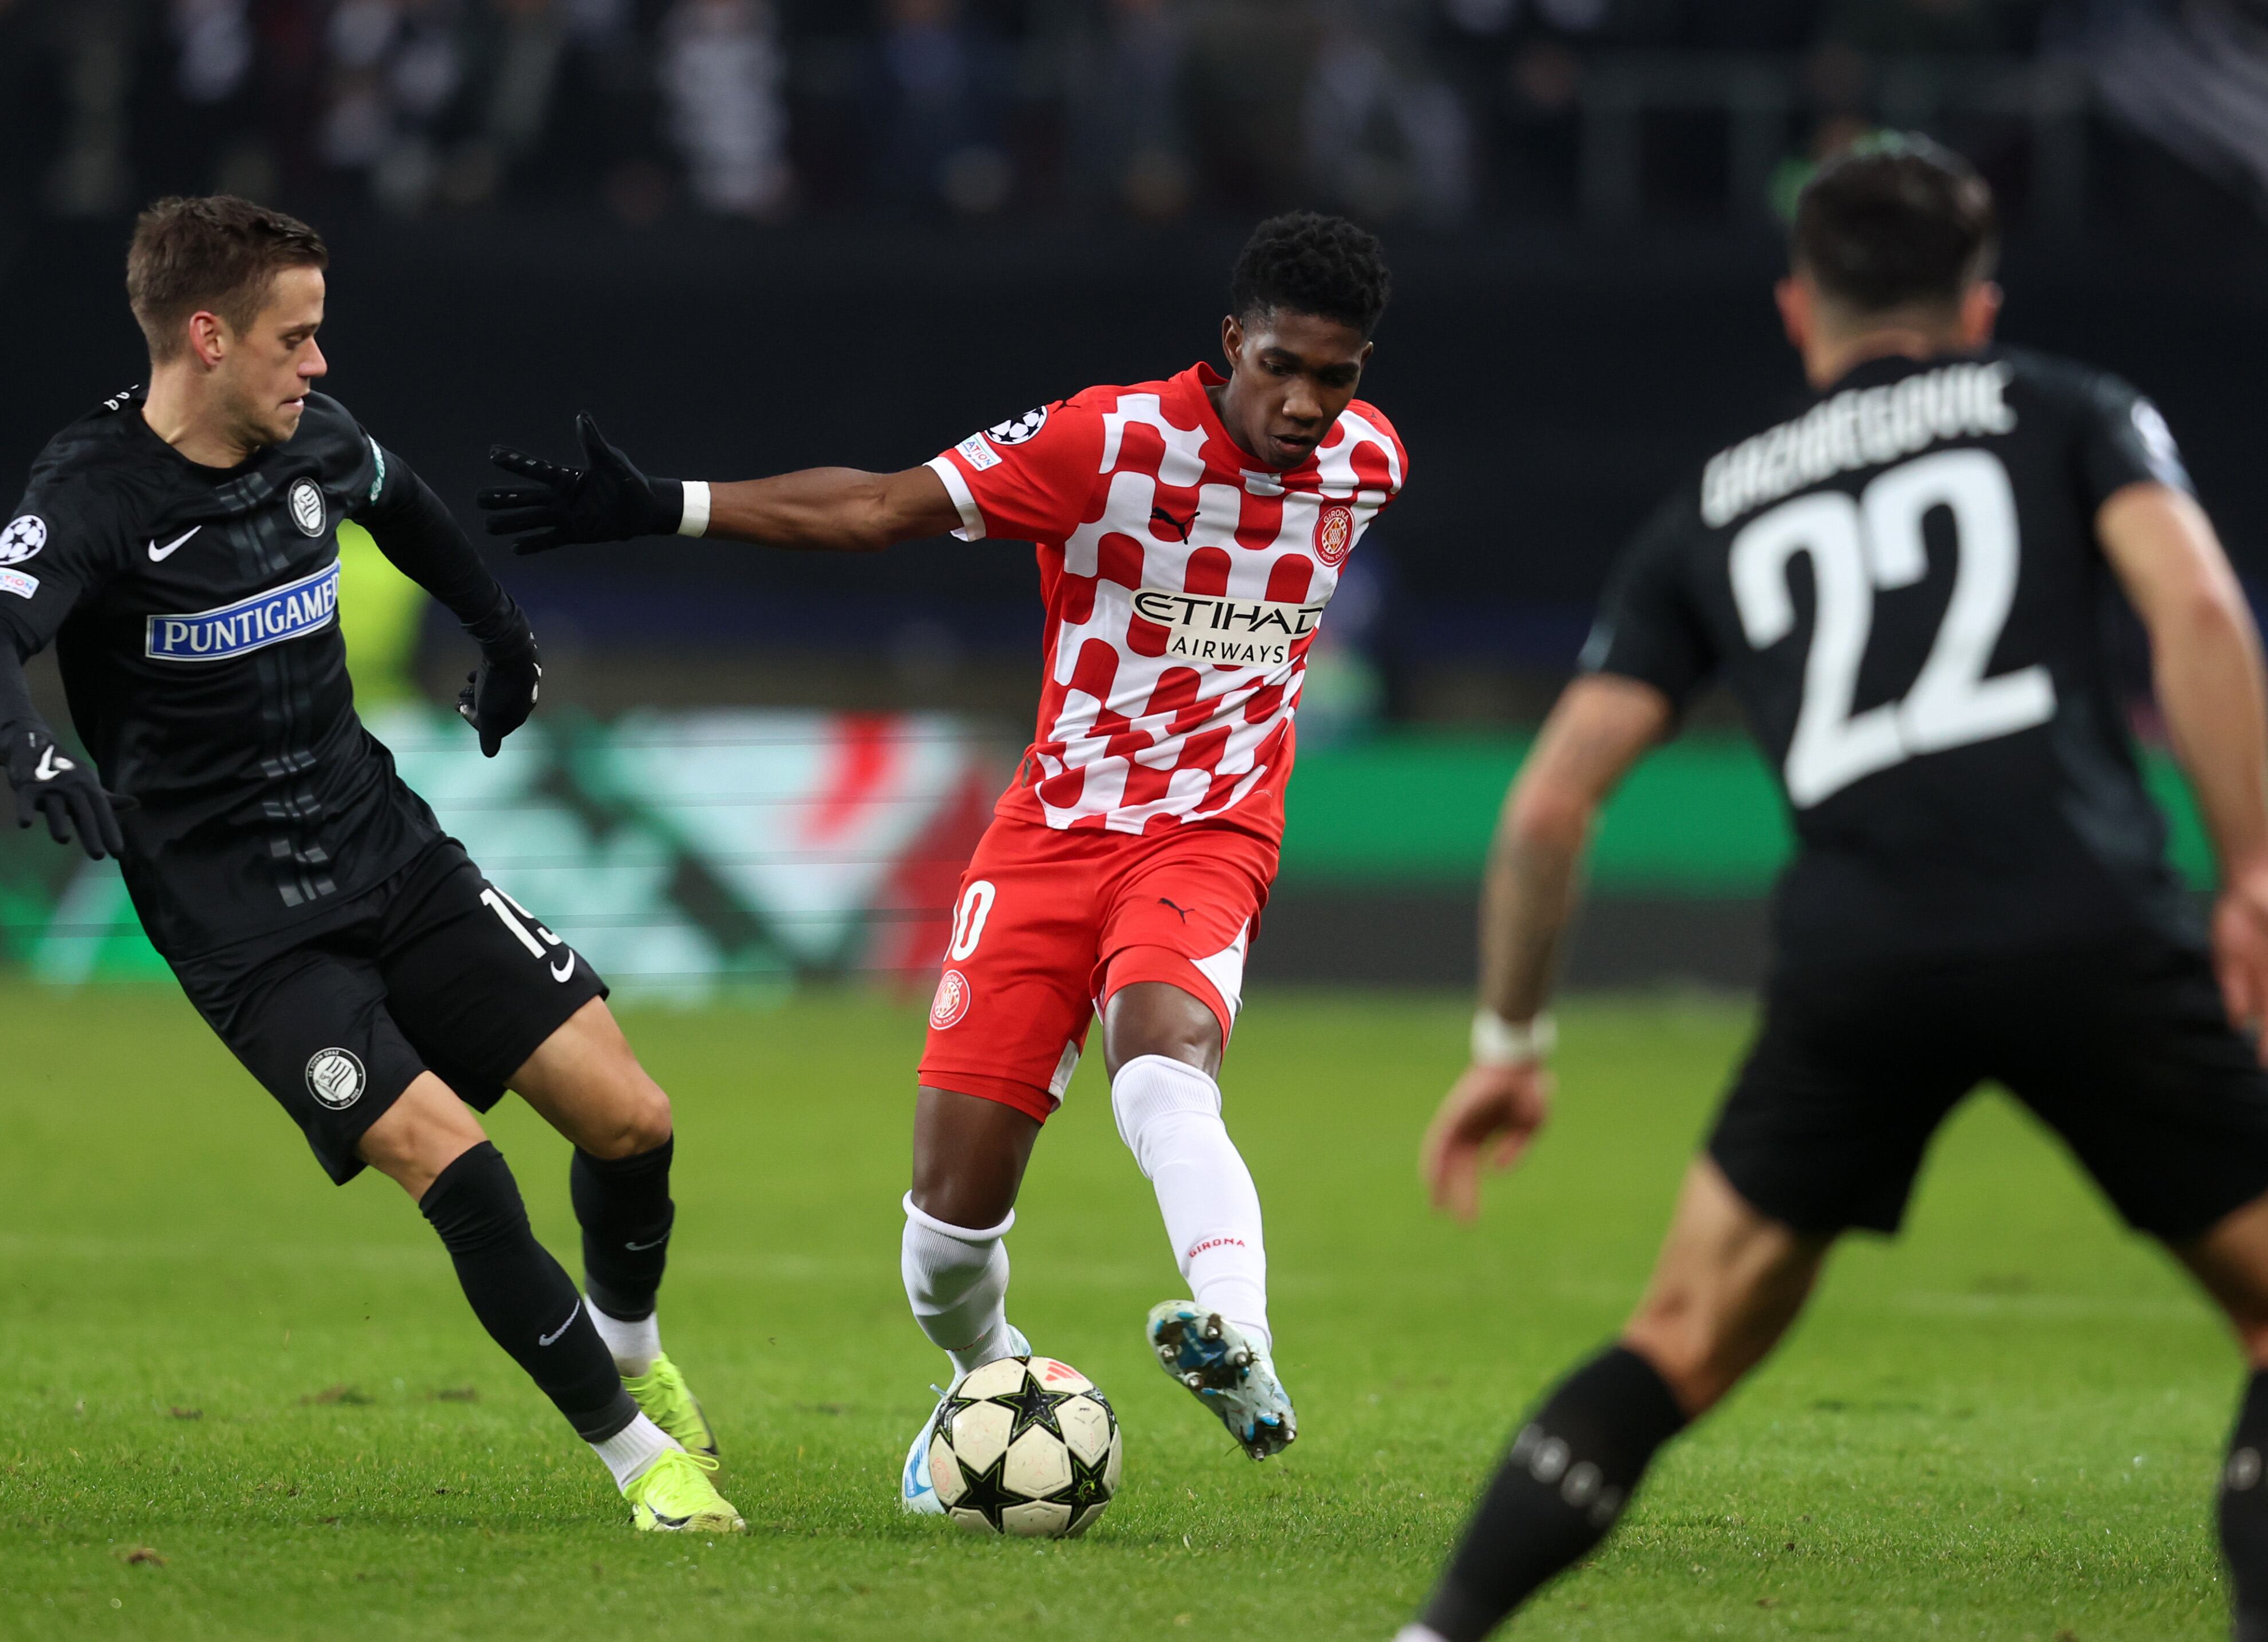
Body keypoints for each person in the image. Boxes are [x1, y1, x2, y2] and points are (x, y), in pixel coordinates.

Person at [1399, 136, 2268, 1639]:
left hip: (1857, 957)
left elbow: (1548, 807)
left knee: (1677, 1340)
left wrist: (1508, 1047)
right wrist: (2250, 871)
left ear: (1797, 310)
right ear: (1978, 307)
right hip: (2084, 920)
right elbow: (2192, 603)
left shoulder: (1716, 507)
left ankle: (1438, 1633)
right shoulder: (2066, 411)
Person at [476, 211, 1409, 1501]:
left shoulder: (1370, 465)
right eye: (1283, 367)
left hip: (1206, 834)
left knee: (1161, 1072)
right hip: (1049, 838)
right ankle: (990, 1381)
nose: (1308, 404)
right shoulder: (1108, 442)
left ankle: (1237, 1337)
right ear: (1229, 342)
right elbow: (875, 507)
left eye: (1337, 374)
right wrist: (667, 507)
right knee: (943, 1248)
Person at [0, 196, 741, 1534]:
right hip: (247, 932)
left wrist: (502, 636)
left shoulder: (316, 439)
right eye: (294, 338)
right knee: (456, 1162)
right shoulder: (93, 495)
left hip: (388, 848)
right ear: (206, 336)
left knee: (632, 1119)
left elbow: (413, 514)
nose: (318, 365)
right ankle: (636, 1466)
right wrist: (30, 754)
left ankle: (633, 1351)